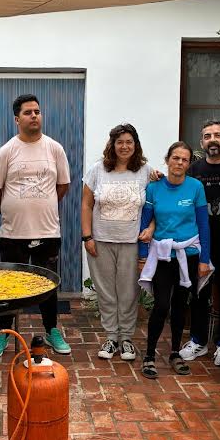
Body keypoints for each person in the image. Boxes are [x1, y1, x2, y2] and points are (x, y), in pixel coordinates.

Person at [0, 94, 71, 359]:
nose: (34, 115)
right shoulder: (6, 151)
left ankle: (51, 330)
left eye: (37, 111)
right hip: (13, 234)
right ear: (17, 119)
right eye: (27, 112)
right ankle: (4, 332)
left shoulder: (54, 149)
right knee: (10, 286)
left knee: (47, 286)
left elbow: (63, 186)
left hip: (48, 232)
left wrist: (41, 205)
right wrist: (14, 211)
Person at [137, 141, 211, 379]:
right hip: (162, 255)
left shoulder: (195, 187)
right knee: (161, 305)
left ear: (189, 164)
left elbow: (203, 225)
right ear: (167, 159)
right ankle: (149, 355)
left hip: (189, 255)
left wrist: (204, 259)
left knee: (181, 306)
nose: (179, 163)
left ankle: (175, 353)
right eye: (175, 158)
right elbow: (144, 223)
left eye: (185, 159)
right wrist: (141, 254)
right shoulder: (154, 188)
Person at [81, 123, 152, 362]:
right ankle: (111, 337)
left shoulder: (145, 171)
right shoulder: (97, 170)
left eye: (129, 142)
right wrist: (87, 236)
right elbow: (86, 205)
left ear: (136, 145)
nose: (124, 146)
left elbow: (156, 204)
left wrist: (150, 229)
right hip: (100, 242)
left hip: (132, 243)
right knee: (106, 292)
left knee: (129, 292)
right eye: (119, 142)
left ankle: (127, 339)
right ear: (112, 144)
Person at [186, 120, 220, 368]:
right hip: (201, 246)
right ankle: (198, 341)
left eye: (218, 135)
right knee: (199, 296)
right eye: (207, 135)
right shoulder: (194, 170)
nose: (213, 139)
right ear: (201, 142)